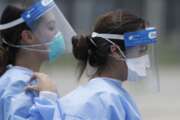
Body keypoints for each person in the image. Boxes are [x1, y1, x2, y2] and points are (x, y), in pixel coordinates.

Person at [26, 10, 158, 120]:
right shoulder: (101, 100)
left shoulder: (108, 95)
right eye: (141, 50)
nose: (145, 59)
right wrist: (47, 101)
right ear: (115, 51)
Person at [0, 0, 75, 119]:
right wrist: (47, 97)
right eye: (51, 27)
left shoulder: (17, 78)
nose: (57, 33)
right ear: (28, 37)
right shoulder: (20, 83)